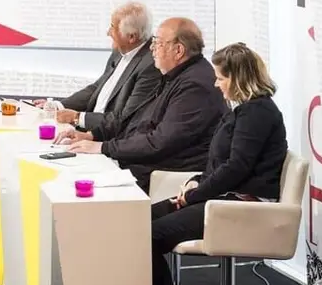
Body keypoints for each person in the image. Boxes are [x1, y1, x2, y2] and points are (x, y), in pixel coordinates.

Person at [150, 43, 287, 285]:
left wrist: (194, 196)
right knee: (134, 223)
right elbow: (223, 164)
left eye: (221, 78)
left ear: (238, 79)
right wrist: (196, 182)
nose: (216, 84)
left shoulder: (257, 113)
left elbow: (236, 168)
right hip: (225, 197)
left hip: (241, 205)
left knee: (149, 236)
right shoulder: (244, 111)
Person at [65, 17, 226, 191]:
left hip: (162, 173)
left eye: (158, 43)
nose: (152, 48)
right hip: (139, 162)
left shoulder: (195, 86)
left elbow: (160, 142)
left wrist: (103, 147)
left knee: (81, 186)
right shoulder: (174, 75)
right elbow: (134, 118)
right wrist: (92, 135)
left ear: (178, 50)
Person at [48, 2, 161, 134]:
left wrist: (77, 117)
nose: (108, 32)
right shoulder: (119, 51)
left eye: (113, 27)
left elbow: (125, 118)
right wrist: (57, 106)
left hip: (107, 137)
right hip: (88, 129)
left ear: (131, 37)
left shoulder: (151, 65)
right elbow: (98, 88)